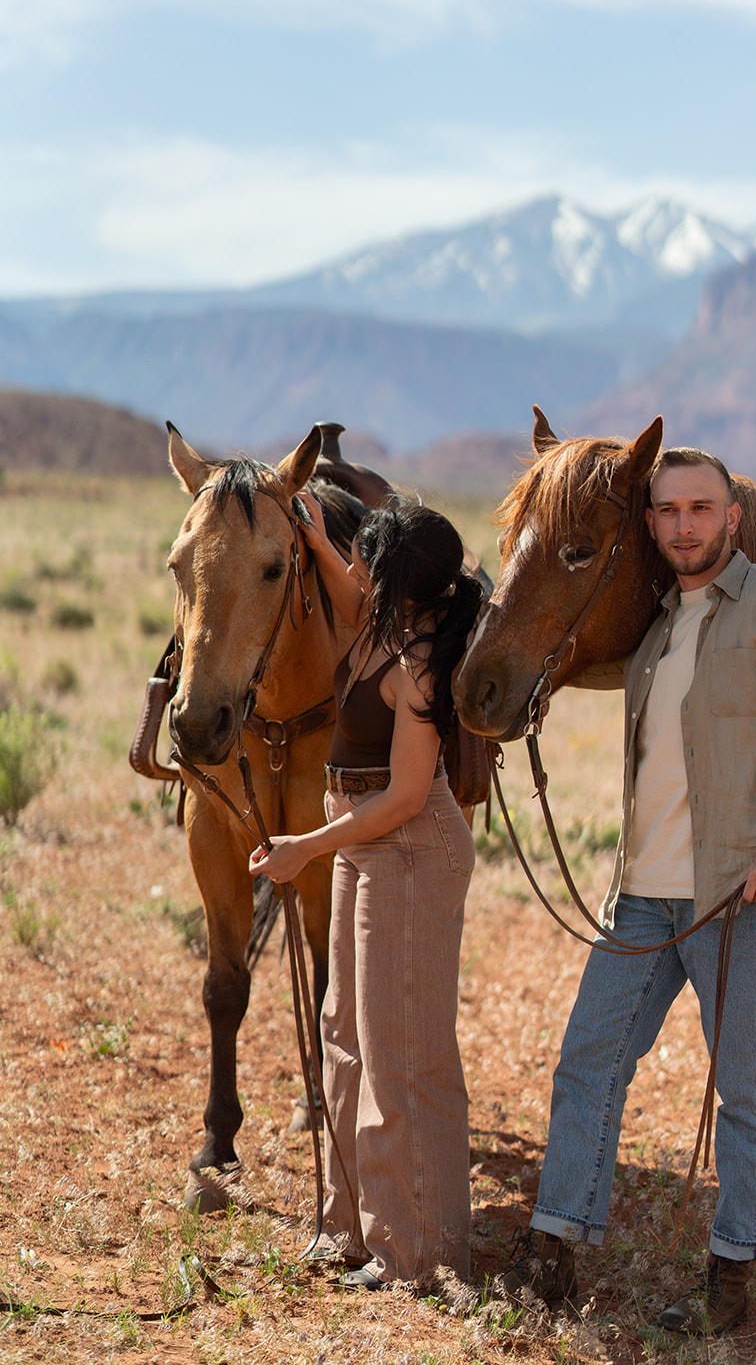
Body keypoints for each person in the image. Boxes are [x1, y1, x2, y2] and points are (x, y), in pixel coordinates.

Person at [501, 447, 756, 1333]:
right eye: (667, 511)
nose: (685, 524)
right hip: (641, 901)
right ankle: (552, 1249)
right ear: (649, 525)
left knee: (742, 1089)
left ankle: (732, 1276)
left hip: (735, 900)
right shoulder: (653, 629)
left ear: (731, 518)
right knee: (587, 1064)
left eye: (702, 508)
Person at [250, 494, 483, 1289]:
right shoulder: (387, 624)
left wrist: (305, 846)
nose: (351, 570)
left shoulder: (419, 666)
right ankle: (353, 1227)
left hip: (407, 849)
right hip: (365, 844)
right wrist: (313, 540)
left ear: (395, 583)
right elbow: (349, 593)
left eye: (363, 558)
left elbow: (408, 796)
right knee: (346, 1032)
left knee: (402, 1054)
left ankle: (416, 1252)